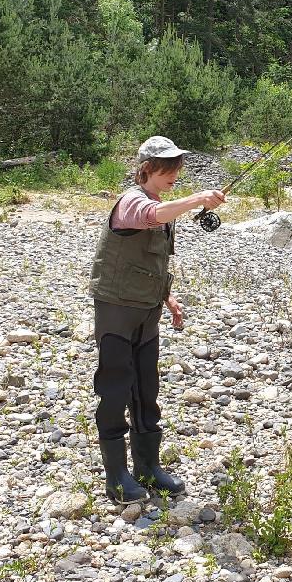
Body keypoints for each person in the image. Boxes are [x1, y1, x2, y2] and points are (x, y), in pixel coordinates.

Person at [90, 136, 225, 504]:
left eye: (177, 167)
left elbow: (151, 259)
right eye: (167, 168)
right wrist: (198, 199)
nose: (174, 174)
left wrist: (167, 297)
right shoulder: (133, 201)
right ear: (147, 168)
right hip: (117, 309)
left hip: (146, 312)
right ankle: (116, 476)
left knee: (146, 391)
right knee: (116, 388)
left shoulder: (161, 204)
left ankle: (147, 466)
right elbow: (150, 217)